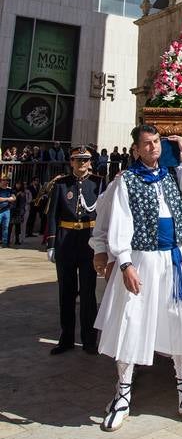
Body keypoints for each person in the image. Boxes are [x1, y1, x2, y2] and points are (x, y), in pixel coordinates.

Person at [95, 125, 182, 431]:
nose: (153, 148)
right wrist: (125, 263)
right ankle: (122, 396)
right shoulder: (127, 181)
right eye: (146, 144)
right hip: (142, 260)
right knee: (131, 324)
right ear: (135, 149)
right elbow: (120, 222)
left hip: (173, 260)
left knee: (180, 323)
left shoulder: (175, 175)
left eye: (156, 142)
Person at [45, 147, 104, 355]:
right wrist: (51, 243)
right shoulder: (61, 184)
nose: (81, 163)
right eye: (77, 159)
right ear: (70, 161)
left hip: (88, 242)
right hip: (66, 242)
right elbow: (52, 215)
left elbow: (103, 215)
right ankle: (66, 338)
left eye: (85, 160)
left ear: (90, 162)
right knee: (66, 292)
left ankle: (89, 340)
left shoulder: (98, 183)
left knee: (88, 293)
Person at [9, 181, 27, 245]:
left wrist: (23, 211)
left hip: (19, 211)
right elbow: (11, 200)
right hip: (12, 211)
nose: (18, 185)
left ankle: (17, 240)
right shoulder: (12, 191)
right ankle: (8, 240)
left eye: (19, 184)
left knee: (18, 227)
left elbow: (24, 203)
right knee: (10, 226)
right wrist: (17, 195)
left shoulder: (23, 193)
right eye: (17, 184)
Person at [0, 175, 15, 247]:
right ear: (1, 181)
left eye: (7, 180)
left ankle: (4, 243)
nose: (6, 182)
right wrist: (8, 199)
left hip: (7, 210)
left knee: (5, 227)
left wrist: (5, 198)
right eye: (5, 180)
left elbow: (14, 198)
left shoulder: (10, 189)